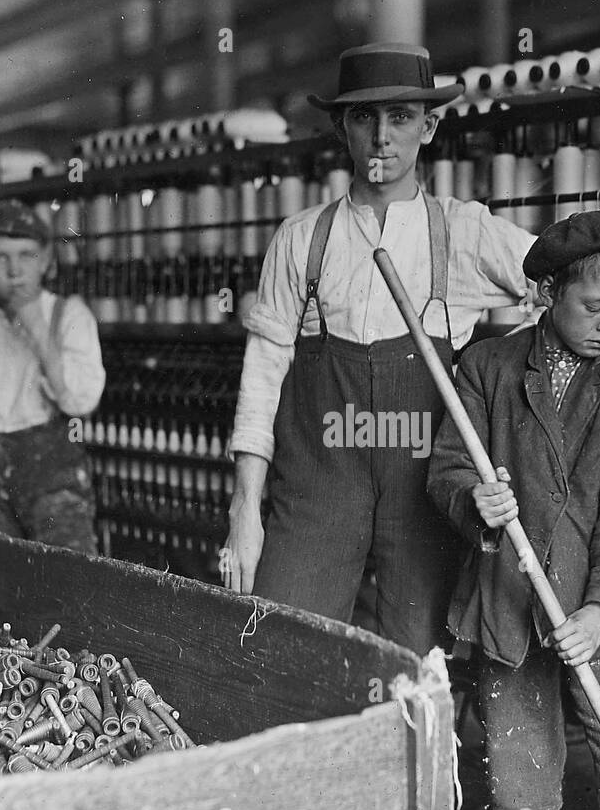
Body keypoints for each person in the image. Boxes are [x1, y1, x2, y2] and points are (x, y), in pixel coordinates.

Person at [221, 42, 535, 655]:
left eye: (400, 117)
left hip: (423, 485)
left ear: (430, 125)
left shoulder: (463, 231)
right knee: (283, 640)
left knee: (418, 664)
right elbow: (260, 379)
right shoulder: (300, 240)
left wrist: (508, 369)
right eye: (365, 118)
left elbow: (568, 279)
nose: (382, 138)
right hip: (319, 480)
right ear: (342, 128)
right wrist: (243, 513)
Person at [427, 210, 600, 810]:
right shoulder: (485, 367)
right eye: (594, 306)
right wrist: (475, 501)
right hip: (510, 603)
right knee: (523, 773)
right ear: (546, 294)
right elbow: (447, 469)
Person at [0, 200, 104, 553]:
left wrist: (36, 326)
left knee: (67, 577)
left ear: (46, 261)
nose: (15, 270)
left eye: (27, 255)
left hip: (53, 481)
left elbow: (80, 402)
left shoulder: (69, 314)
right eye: (0, 257)